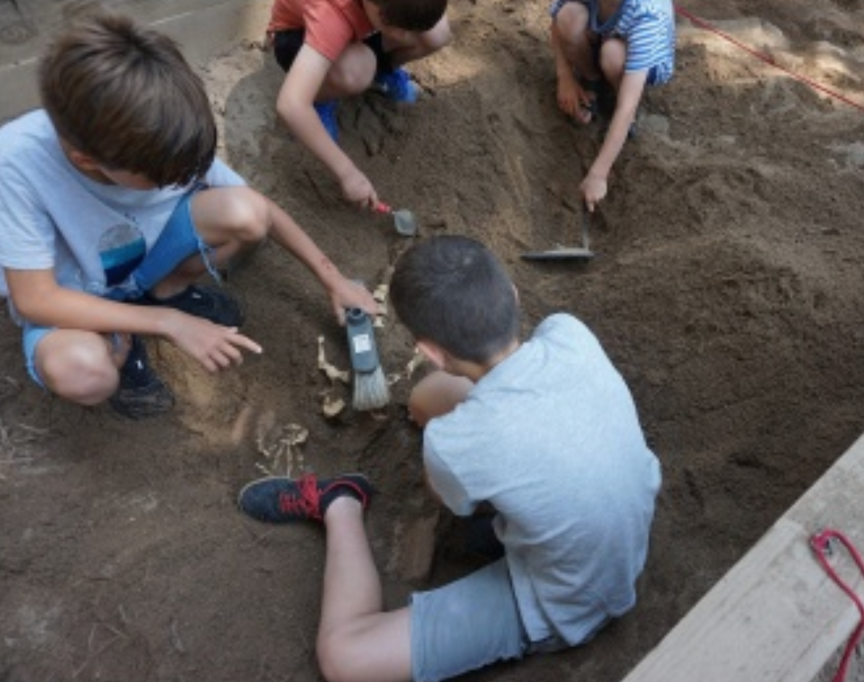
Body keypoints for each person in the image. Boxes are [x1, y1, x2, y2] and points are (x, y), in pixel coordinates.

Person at [238, 235, 661, 682]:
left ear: (431, 353)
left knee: (345, 659)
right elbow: (436, 405)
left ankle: (339, 503)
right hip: (620, 541)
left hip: (571, 601)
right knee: (429, 404)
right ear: (512, 295)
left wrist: (455, 455)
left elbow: (451, 499)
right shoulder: (568, 331)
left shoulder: (453, 445)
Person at [0, 13, 378, 419]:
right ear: (87, 160)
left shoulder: (154, 124)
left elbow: (260, 208)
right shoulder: (17, 164)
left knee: (244, 212)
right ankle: (121, 337)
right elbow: (36, 299)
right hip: (73, 294)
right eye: (164, 179)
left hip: (145, 259)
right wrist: (167, 323)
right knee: (81, 371)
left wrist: (333, 278)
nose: (181, 179)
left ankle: (167, 288)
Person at [266, 0, 451, 208]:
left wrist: (404, 25)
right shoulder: (331, 17)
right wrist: (347, 172)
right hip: (300, 38)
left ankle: (382, 72)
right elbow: (291, 104)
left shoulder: (379, 10)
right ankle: (321, 97)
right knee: (357, 71)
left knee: (438, 33)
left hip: (360, 27)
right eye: (399, 29)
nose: (407, 38)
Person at [549, 0, 677, 210]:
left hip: (645, 60)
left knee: (612, 55)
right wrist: (565, 77)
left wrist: (598, 175)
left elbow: (626, 108)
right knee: (568, 16)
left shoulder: (647, 14)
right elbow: (556, 20)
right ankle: (592, 80)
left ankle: (615, 92)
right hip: (605, 33)